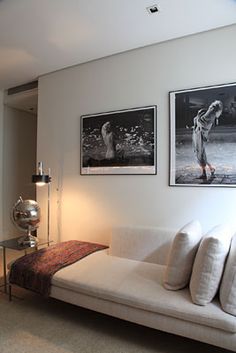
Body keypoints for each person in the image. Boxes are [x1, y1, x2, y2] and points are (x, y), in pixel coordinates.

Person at [192, 100, 223, 179]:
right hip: (201, 134)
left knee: (200, 154)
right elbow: (202, 121)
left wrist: (198, 118)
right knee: (201, 154)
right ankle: (209, 169)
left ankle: (205, 172)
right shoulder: (212, 113)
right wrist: (198, 119)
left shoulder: (211, 113)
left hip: (200, 135)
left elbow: (202, 121)